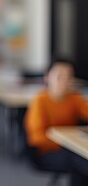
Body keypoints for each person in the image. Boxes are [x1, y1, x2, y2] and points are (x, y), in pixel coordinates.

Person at [24, 58, 88, 186]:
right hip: (45, 153)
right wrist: (66, 142)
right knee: (79, 160)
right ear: (47, 77)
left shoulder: (74, 97)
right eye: (60, 76)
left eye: (69, 76)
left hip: (70, 148)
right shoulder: (40, 100)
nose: (65, 81)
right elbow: (36, 138)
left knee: (80, 160)